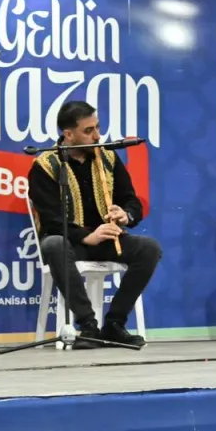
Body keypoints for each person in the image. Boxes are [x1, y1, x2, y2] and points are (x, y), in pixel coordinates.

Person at [27, 100, 161, 349]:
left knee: (149, 248)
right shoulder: (45, 165)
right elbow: (51, 220)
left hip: (107, 240)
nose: (97, 135)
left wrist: (126, 215)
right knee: (53, 244)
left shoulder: (108, 157)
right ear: (68, 135)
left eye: (97, 127)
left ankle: (114, 324)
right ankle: (88, 326)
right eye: (88, 131)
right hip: (71, 242)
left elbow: (132, 200)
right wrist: (86, 236)